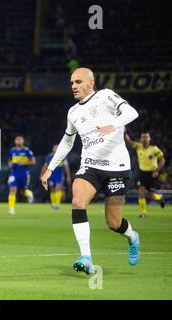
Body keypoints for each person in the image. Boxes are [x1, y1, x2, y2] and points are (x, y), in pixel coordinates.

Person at [41, 67, 140, 274]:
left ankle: (132, 237)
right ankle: (86, 257)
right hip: (90, 168)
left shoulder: (106, 96)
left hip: (117, 169)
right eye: (71, 83)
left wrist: (114, 124)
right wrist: (50, 168)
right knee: (77, 201)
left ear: (91, 83)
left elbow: (132, 112)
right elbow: (67, 142)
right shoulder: (73, 112)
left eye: (78, 82)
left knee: (113, 222)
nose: (74, 86)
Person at [125, 131, 166, 218]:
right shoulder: (138, 146)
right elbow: (129, 141)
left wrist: (157, 170)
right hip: (142, 173)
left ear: (149, 139)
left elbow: (162, 160)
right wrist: (124, 132)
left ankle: (160, 198)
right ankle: (143, 213)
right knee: (141, 192)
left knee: (151, 196)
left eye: (146, 137)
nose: (145, 138)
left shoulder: (154, 149)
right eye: (143, 137)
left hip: (152, 174)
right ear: (141, 139)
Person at [8, 135, 36, 215]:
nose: (19, 141)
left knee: (23, 192)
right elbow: (9, 162)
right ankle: (11, 208)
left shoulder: (27, 151)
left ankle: (29, 193)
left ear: (23, 141)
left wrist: (24, 163)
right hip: (14, 173)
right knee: (12, 189)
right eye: (17, 140)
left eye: (20, 140)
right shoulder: (12, 151)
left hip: (24, 174)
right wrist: (11, 164)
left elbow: (33, 162)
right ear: (15, 141)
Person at [40, 144, 71, 209]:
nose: (56, 149)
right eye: (55, 148)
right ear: (53, 149)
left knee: (58, 188)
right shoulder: (49, 157)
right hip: (51, 175)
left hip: (59, 175)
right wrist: (42, 174)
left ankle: (57, 204)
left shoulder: (63, 156)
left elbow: (66, 167)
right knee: (52, 190)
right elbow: (45, 166)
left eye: (57, 148)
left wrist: (68, 176)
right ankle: (53, 204)